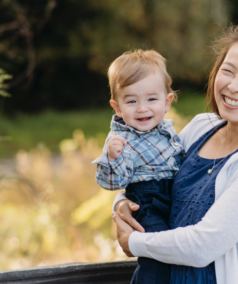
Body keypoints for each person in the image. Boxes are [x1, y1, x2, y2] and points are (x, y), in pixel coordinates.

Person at [112, 24, 238, 284]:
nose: (233, 86)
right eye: (228, 71)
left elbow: (204, 245)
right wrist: (121, 204)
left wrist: (134, 242)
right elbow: (148, 177)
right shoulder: (200, 127)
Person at [92, 49, 184, 284]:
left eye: (151, 99)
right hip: (147, 202)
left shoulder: (167, 130)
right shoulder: (120, 139)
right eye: (132, 101)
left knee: (173, 256)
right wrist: (112, 158)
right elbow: (113, 183)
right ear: (117, 107)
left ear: (167, 102)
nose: (142, 108)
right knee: (156, 256)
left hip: (173, 198)